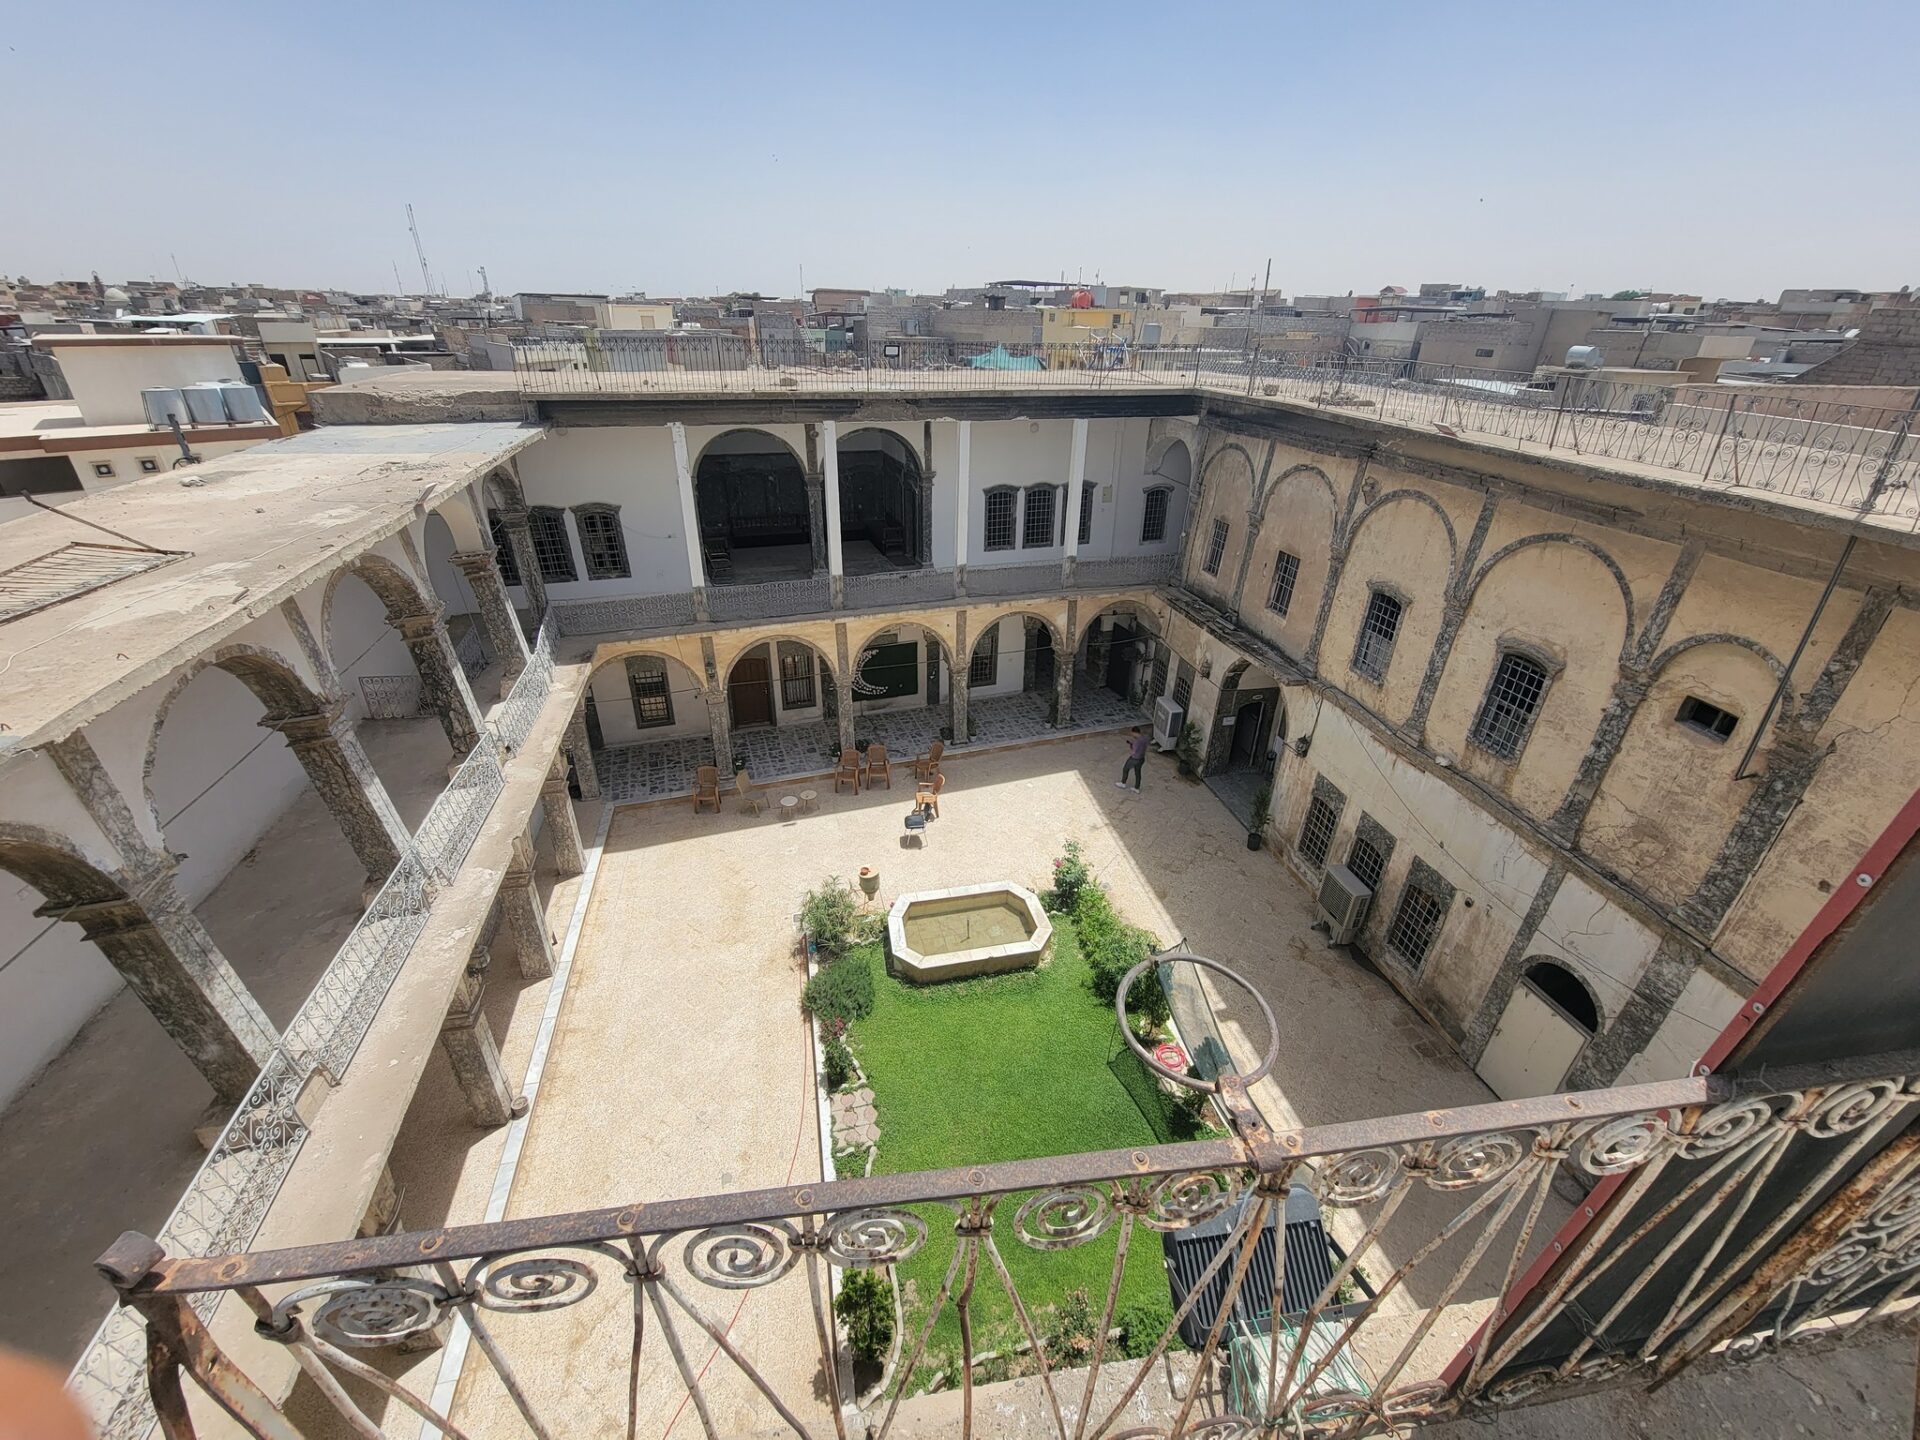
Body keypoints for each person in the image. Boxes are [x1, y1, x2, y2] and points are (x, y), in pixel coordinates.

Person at [1118, 726, 1149, 792]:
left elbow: (1134, 751)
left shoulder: (1137, 742)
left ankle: (1123, 783)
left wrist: (1131, 746)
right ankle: (1136, 788)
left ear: (1134, 732)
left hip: (1134, 758)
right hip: (1141, 758)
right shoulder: (1144, 739)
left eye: (1132, 733)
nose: (1132, 735)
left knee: (1125, 769)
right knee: (1138, 773)